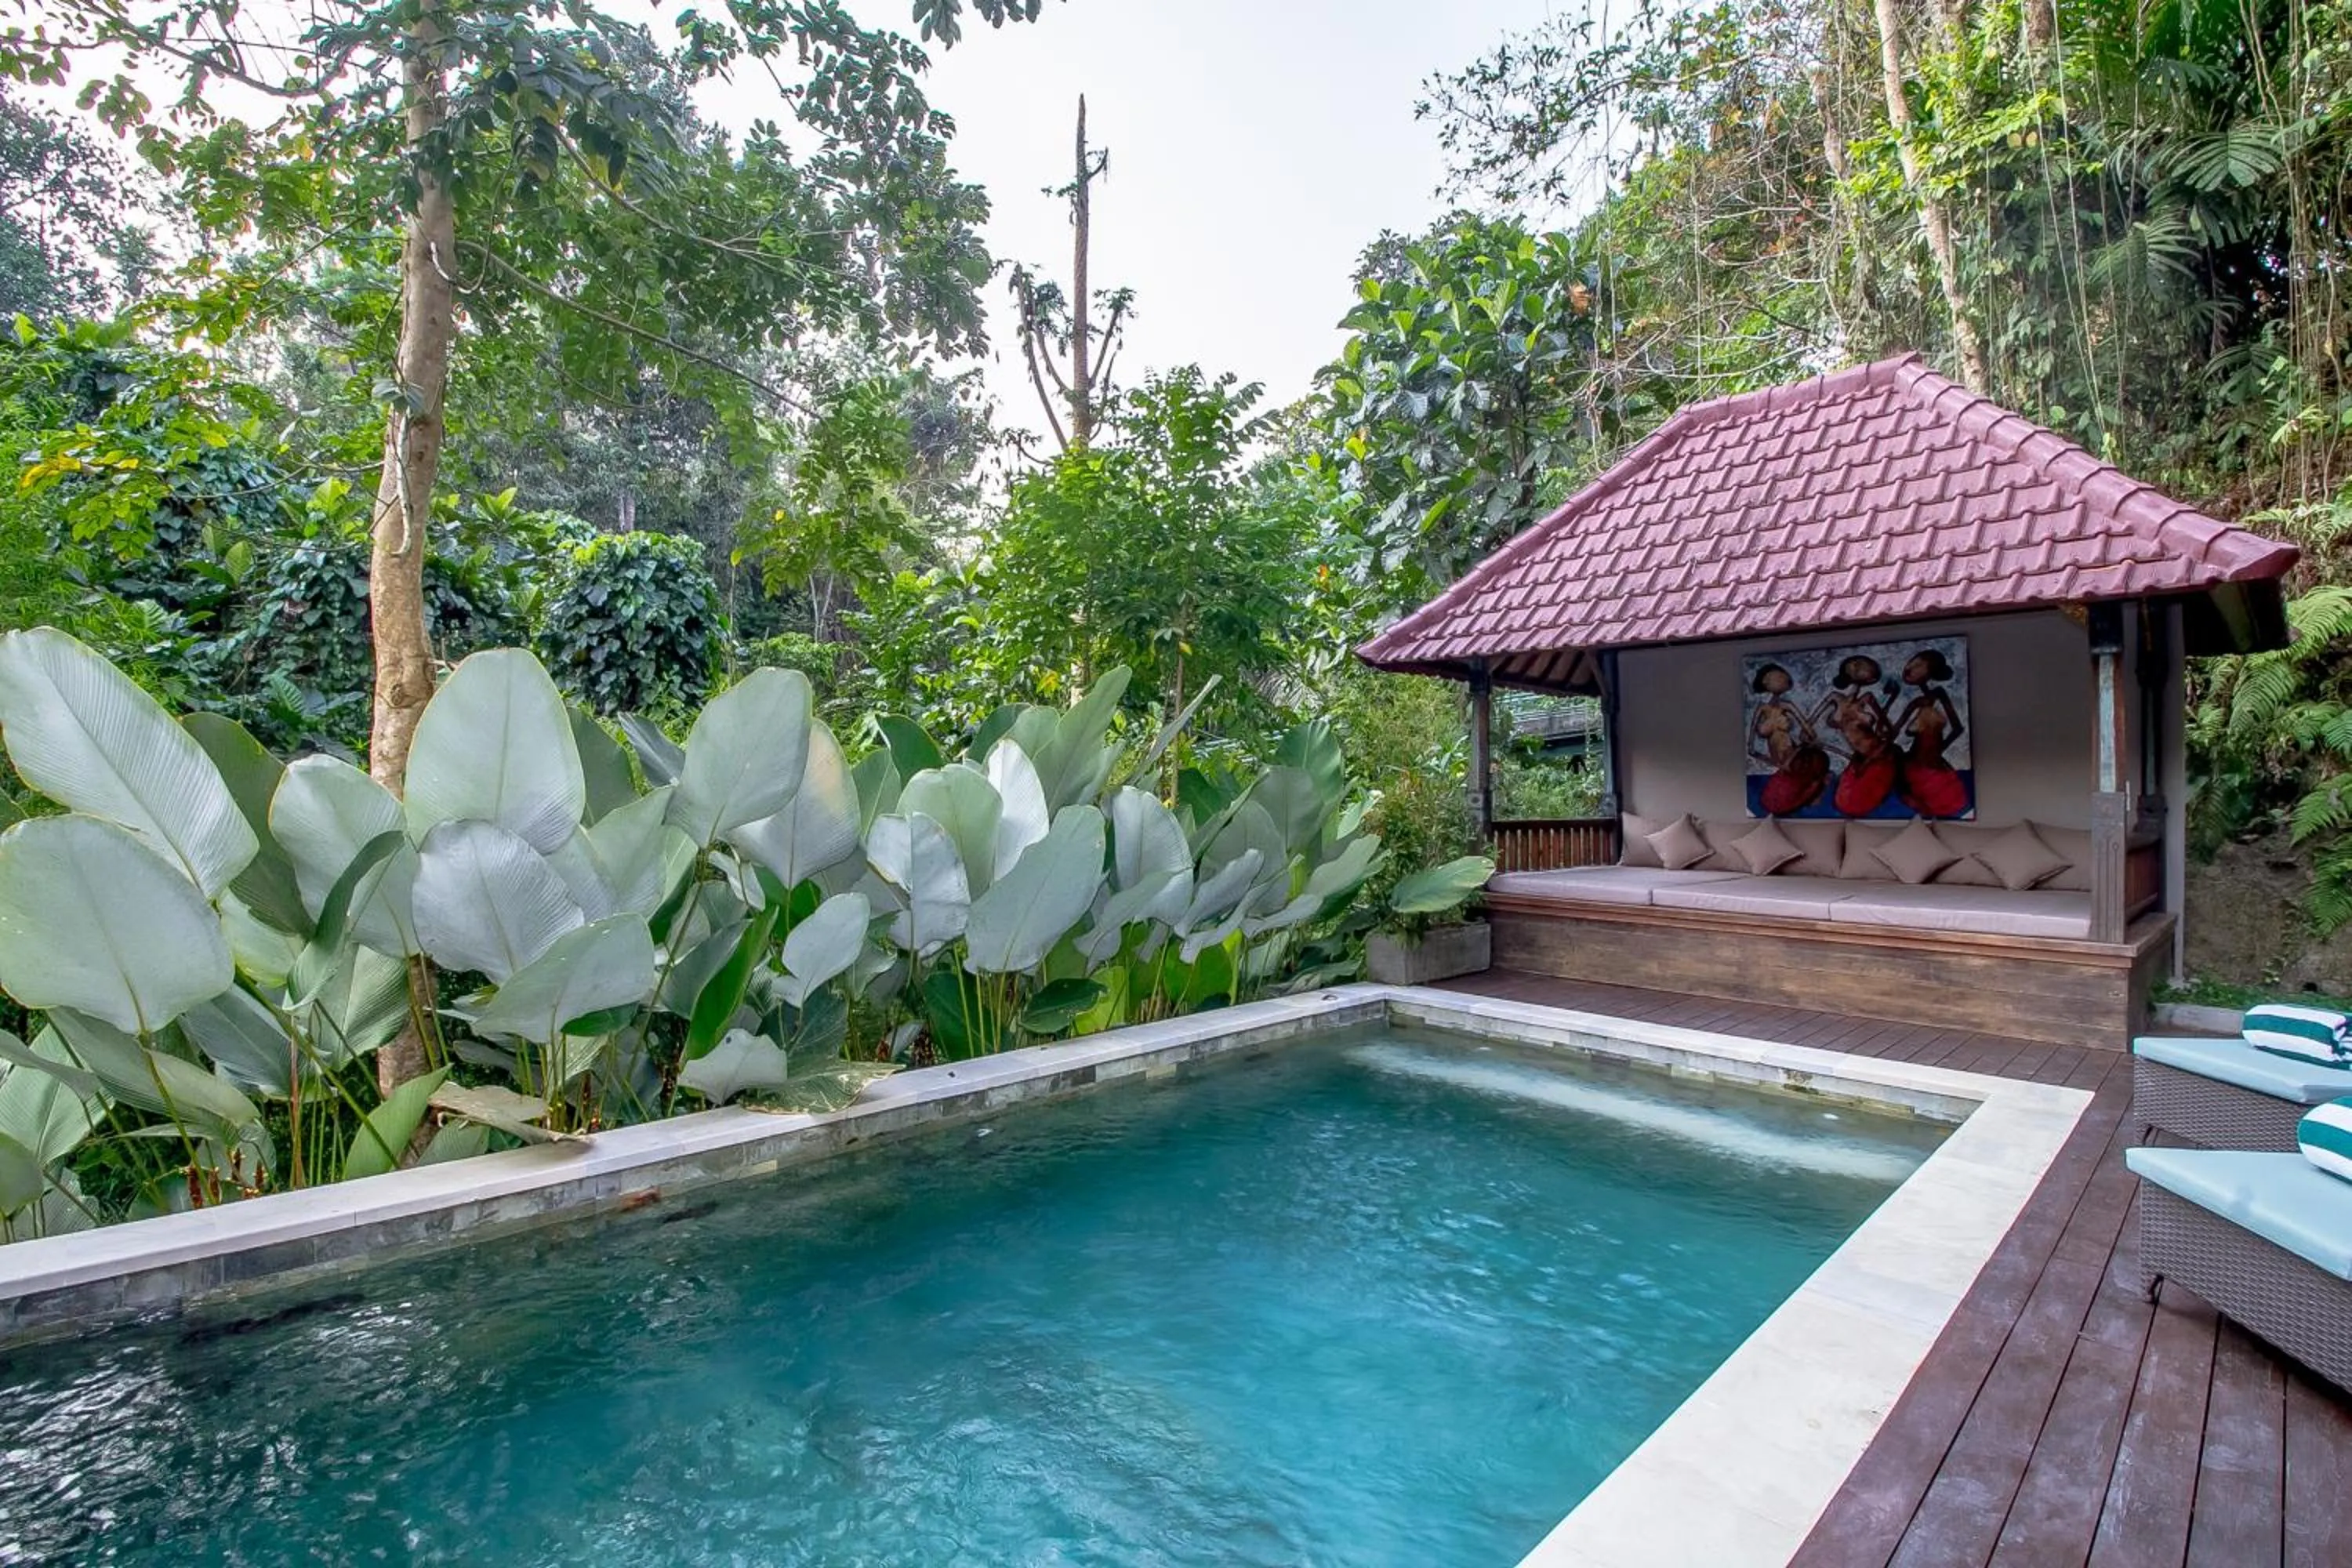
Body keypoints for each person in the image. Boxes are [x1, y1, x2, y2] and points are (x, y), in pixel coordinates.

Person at [1809, 655, 1899, 817]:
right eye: (1855, 663)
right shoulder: (1834, 697)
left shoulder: (1868, 698)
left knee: (1858, 802)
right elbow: (1807, 731)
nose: (1857, 666)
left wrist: (1874, 755)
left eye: (1864, 664)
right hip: (1858, 760)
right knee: (1843, 801)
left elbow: (1890, 732)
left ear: (1872, 678)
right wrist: (1840, 752)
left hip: (1879, 756)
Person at [1892, 647, 1970, 818]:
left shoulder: (1936, 695)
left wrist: (1936, 753)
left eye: (1919, 665)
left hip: (1931, 769)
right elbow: (1895, 732)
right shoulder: (1916, 703)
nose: (1910, 667)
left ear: (1930, 672)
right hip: (1918, 767)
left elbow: (1958, 729)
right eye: (1912, 662)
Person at [1749, 662, 1829, 815]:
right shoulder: (1761, 709)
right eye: (1777, 676)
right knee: (1774, 802)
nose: (1782, 678)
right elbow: (1751, 748)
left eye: (1783, 675)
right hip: (1782, 763)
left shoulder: (1788, 706)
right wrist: (1774, 762)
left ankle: (1816, 785)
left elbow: (1809, 732)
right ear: (1765, 681)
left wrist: (1800, 748)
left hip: (1794, 757)